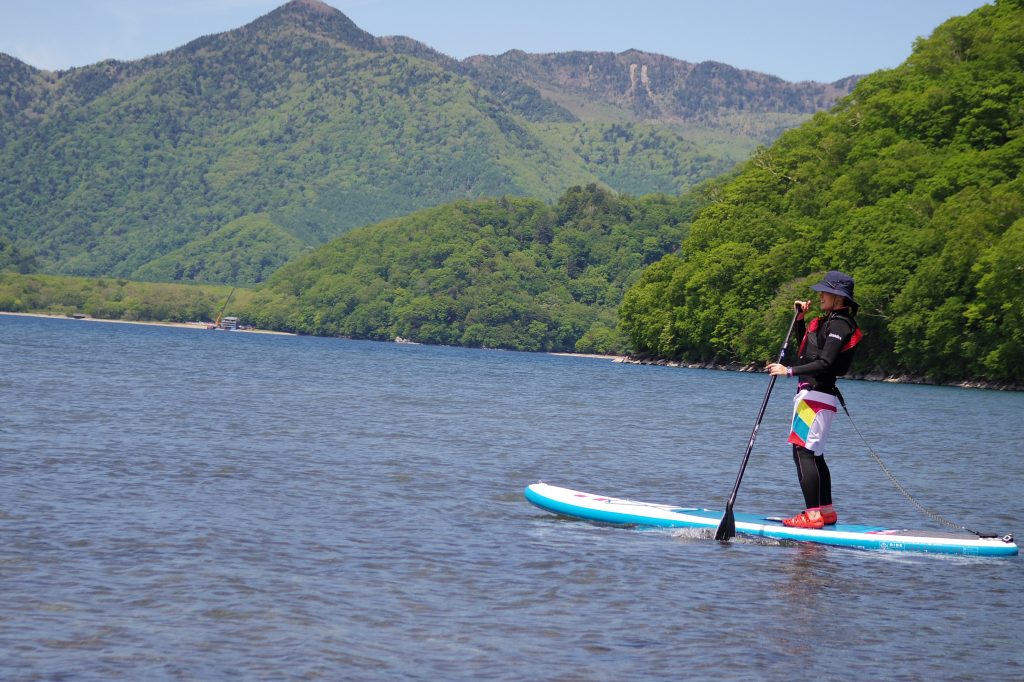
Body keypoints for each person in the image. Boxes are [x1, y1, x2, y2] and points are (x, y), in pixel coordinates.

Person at [766, 270, 862, 529]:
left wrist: (788, 371)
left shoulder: (840, 324)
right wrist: (800, 320)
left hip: (816, 398)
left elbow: (826, 362)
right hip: (818, 397)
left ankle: (812, 515)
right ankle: (826, 512)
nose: (819, 295)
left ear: (838, 297)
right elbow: (809, 353)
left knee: (802, 452)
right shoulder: (832, 321)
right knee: (814, 454)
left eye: (824, 292)